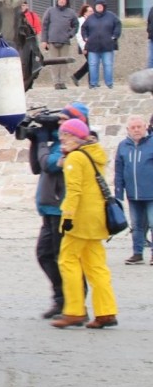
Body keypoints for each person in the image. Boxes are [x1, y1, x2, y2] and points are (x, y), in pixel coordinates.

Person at [50, 117, 118, 329]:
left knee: (67, 261)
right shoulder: (94, 153)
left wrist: (68, 218)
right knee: (96, 266)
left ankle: (74, 311)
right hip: (97, 218)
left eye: (66, 135)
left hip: (80, 219)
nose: (63, 139)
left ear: (76, 137)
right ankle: (106, 311)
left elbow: (74, 191)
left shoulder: (76, 158)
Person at [33, 103, 90, 318]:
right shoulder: (58, 142)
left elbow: (49, 164)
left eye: (63, 120)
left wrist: (41, 143)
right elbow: (36, 166)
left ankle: (74, 303)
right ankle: (61, 298)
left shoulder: (77, 144)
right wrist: (37, 140)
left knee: (64, 258)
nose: (59, 123)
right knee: (45, 254)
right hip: (49, 208)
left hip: (62, 209)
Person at [114, 115, 153, 264]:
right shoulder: (123, 146)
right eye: (133, 127)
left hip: (151, 193)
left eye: (139, 127)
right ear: (128, 130)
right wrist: (119, 191)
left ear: (145, 127)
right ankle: (137, 253)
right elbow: (119, 169)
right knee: (136, 225)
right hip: (133, 193)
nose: (136, 130)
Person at [40, 0, 80, 89]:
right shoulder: (50, 11)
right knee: (54, 63)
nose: (62, 1)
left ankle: (62, 81)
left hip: (65, 41)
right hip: (52, 40)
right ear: (57, 1)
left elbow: (76, 25)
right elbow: (45, 26)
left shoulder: (71, 12)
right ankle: (56, 82)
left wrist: (70, 34)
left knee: (63, 63)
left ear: (67, 1)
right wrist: (44, 40)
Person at [79, 0, 121, 89]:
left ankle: (109, 84)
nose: (99, 7)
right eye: (97, 6)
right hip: (93, 46)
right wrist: (85, 38)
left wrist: (114, 37)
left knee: (108, 64)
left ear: (104, 6)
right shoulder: (90, 18)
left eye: (100, 6)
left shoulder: (111, 16)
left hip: (107, 46)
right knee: (93, 65)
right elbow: (83, 28)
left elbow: (118, 26)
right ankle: (93, 83)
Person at [71, 3, 93, 84]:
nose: (92, 13)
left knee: (91, 63)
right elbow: (79, 35)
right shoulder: (81, 21)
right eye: (90, 11)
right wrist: (83, 47)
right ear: (85, 13)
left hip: (93, 45)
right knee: (92, 62)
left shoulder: (92, 20)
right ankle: (91, 81)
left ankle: (77, 76)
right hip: (85, 45)